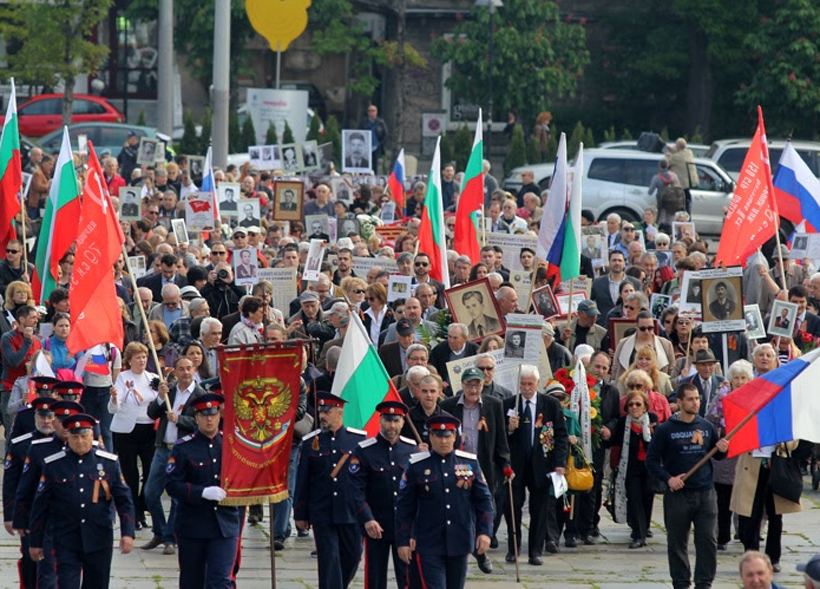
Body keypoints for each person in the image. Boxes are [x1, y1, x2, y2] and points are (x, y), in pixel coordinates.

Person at [28, 413, 135, 589]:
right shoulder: (54, 464)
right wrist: (36, 542)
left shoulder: (108, 463)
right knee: (67, 583)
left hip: (98, 537)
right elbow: (40, 506)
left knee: (97, 583)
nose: (80, 441)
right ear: (68, 437)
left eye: (84, 436)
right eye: (75, 437)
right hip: (66, 538)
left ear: (91, 436)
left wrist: (128, 533)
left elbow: (124, 500)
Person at [395, 414, 494, 589]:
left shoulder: (469, 463)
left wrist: (485, 532)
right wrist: (403, 539)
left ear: (454, 436)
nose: (443, 441)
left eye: (448, 436)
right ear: (431, 436)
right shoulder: (417, 465)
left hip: (460, 539)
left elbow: (484, 500)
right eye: (438, 436)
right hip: (429, 542)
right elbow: (404, 506)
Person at [646, 383, 730, 589]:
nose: (695, 403)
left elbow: (717, 455)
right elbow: (652, 461)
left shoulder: (707, 426)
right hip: (678, 495)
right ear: (680, 402)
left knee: (708, 541)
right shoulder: (666, 430)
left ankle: (704, 583)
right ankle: (681, 583)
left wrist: (722, 449)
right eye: (691, 399)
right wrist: (669, 479)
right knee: (677, 543)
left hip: (705, 493)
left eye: (697, 399)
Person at [165, 393, 242, 587]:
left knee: (221, 580)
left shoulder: (231, 445)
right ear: (196, 417)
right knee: (193, 581)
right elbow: (172, 485)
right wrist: (201, 492)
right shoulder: (183, 448)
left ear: (219, 416)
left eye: (213, 414)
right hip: (193, 526)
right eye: (204, 415)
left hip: (225, 525)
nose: (209, 419)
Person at [440, 367, 510, 574]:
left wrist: (505, 463)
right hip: (455, 466)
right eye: (469, 384)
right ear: (462, 385)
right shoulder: (448, 405)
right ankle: (460, 550)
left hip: (482, 466)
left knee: (487, 508)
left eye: (477, 385)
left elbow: (500, 438)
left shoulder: (493, 405)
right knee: (460, 510)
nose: (473, 389)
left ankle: (481, 549)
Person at [294, 392, 367, 589]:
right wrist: (300, 512)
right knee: (329, 559)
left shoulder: (357, 441)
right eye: (321, 411)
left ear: (340, 412)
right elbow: (302, 480)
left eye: (328, 411)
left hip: (350, 510)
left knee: (352, 556)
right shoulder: (311, 442)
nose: (323, 416)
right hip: (322, 511)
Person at [142, 357, 207, 555]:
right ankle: (160, 530)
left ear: (194, 370)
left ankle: (170, 537)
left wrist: (180, 420)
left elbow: (202, 423)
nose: (186, 372)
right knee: (150, 493)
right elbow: (152, 413)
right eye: (181, 369)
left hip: (182, 452)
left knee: (177, 497)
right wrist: (161, 398)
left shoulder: (199, 395)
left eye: (189, 369)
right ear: (175, 371)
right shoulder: (169, 389)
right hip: (163, 448)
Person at [503, 365, 568, 562]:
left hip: (542, 463)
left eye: (530, 384)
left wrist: (559, 462)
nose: (526, 388)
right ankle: (513, 548)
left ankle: (535, 551)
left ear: (537, 384)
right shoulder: (508, 404)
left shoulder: (550, 404)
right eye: (523, 384)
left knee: (539, 508)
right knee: (512, 506)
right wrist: (510, 429)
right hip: (516, 465)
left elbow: (561, 435)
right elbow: (500, 438)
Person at [351, 401, 418, 589]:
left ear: (403, 422)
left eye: (396, 421)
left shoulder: (411, 450)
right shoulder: (364, 451)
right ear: (380, 420)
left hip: (403, 526)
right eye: (388, 421)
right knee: (375, 578)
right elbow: (356, 489)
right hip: (376, 524)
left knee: (407, 578)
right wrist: (367, 518)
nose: (392, 426)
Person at [109, 342, 159, 531]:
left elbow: (161, 402)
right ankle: (134, 513)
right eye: (138, 357)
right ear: (129, 360)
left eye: (144, 357)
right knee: (130, 473)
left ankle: (142, 504)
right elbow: (114, 406)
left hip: (149, 430)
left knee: (149, 471)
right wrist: (114, 398)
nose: (142, 360)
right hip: (126, 431)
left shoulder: (153, 377)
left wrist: (162, 393)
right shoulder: (122, 377)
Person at [606, 381, 658, 549]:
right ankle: (638, 534)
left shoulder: (652, 421)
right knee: (634, 499)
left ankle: (645, 528)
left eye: (638, 404)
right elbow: (614, 442)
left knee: (647, 499)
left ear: (645, 406)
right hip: (630, 467)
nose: (634, 407)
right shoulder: (623, 423)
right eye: (631, 404)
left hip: (649, 467)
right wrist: (605, 435)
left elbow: (658, 444)